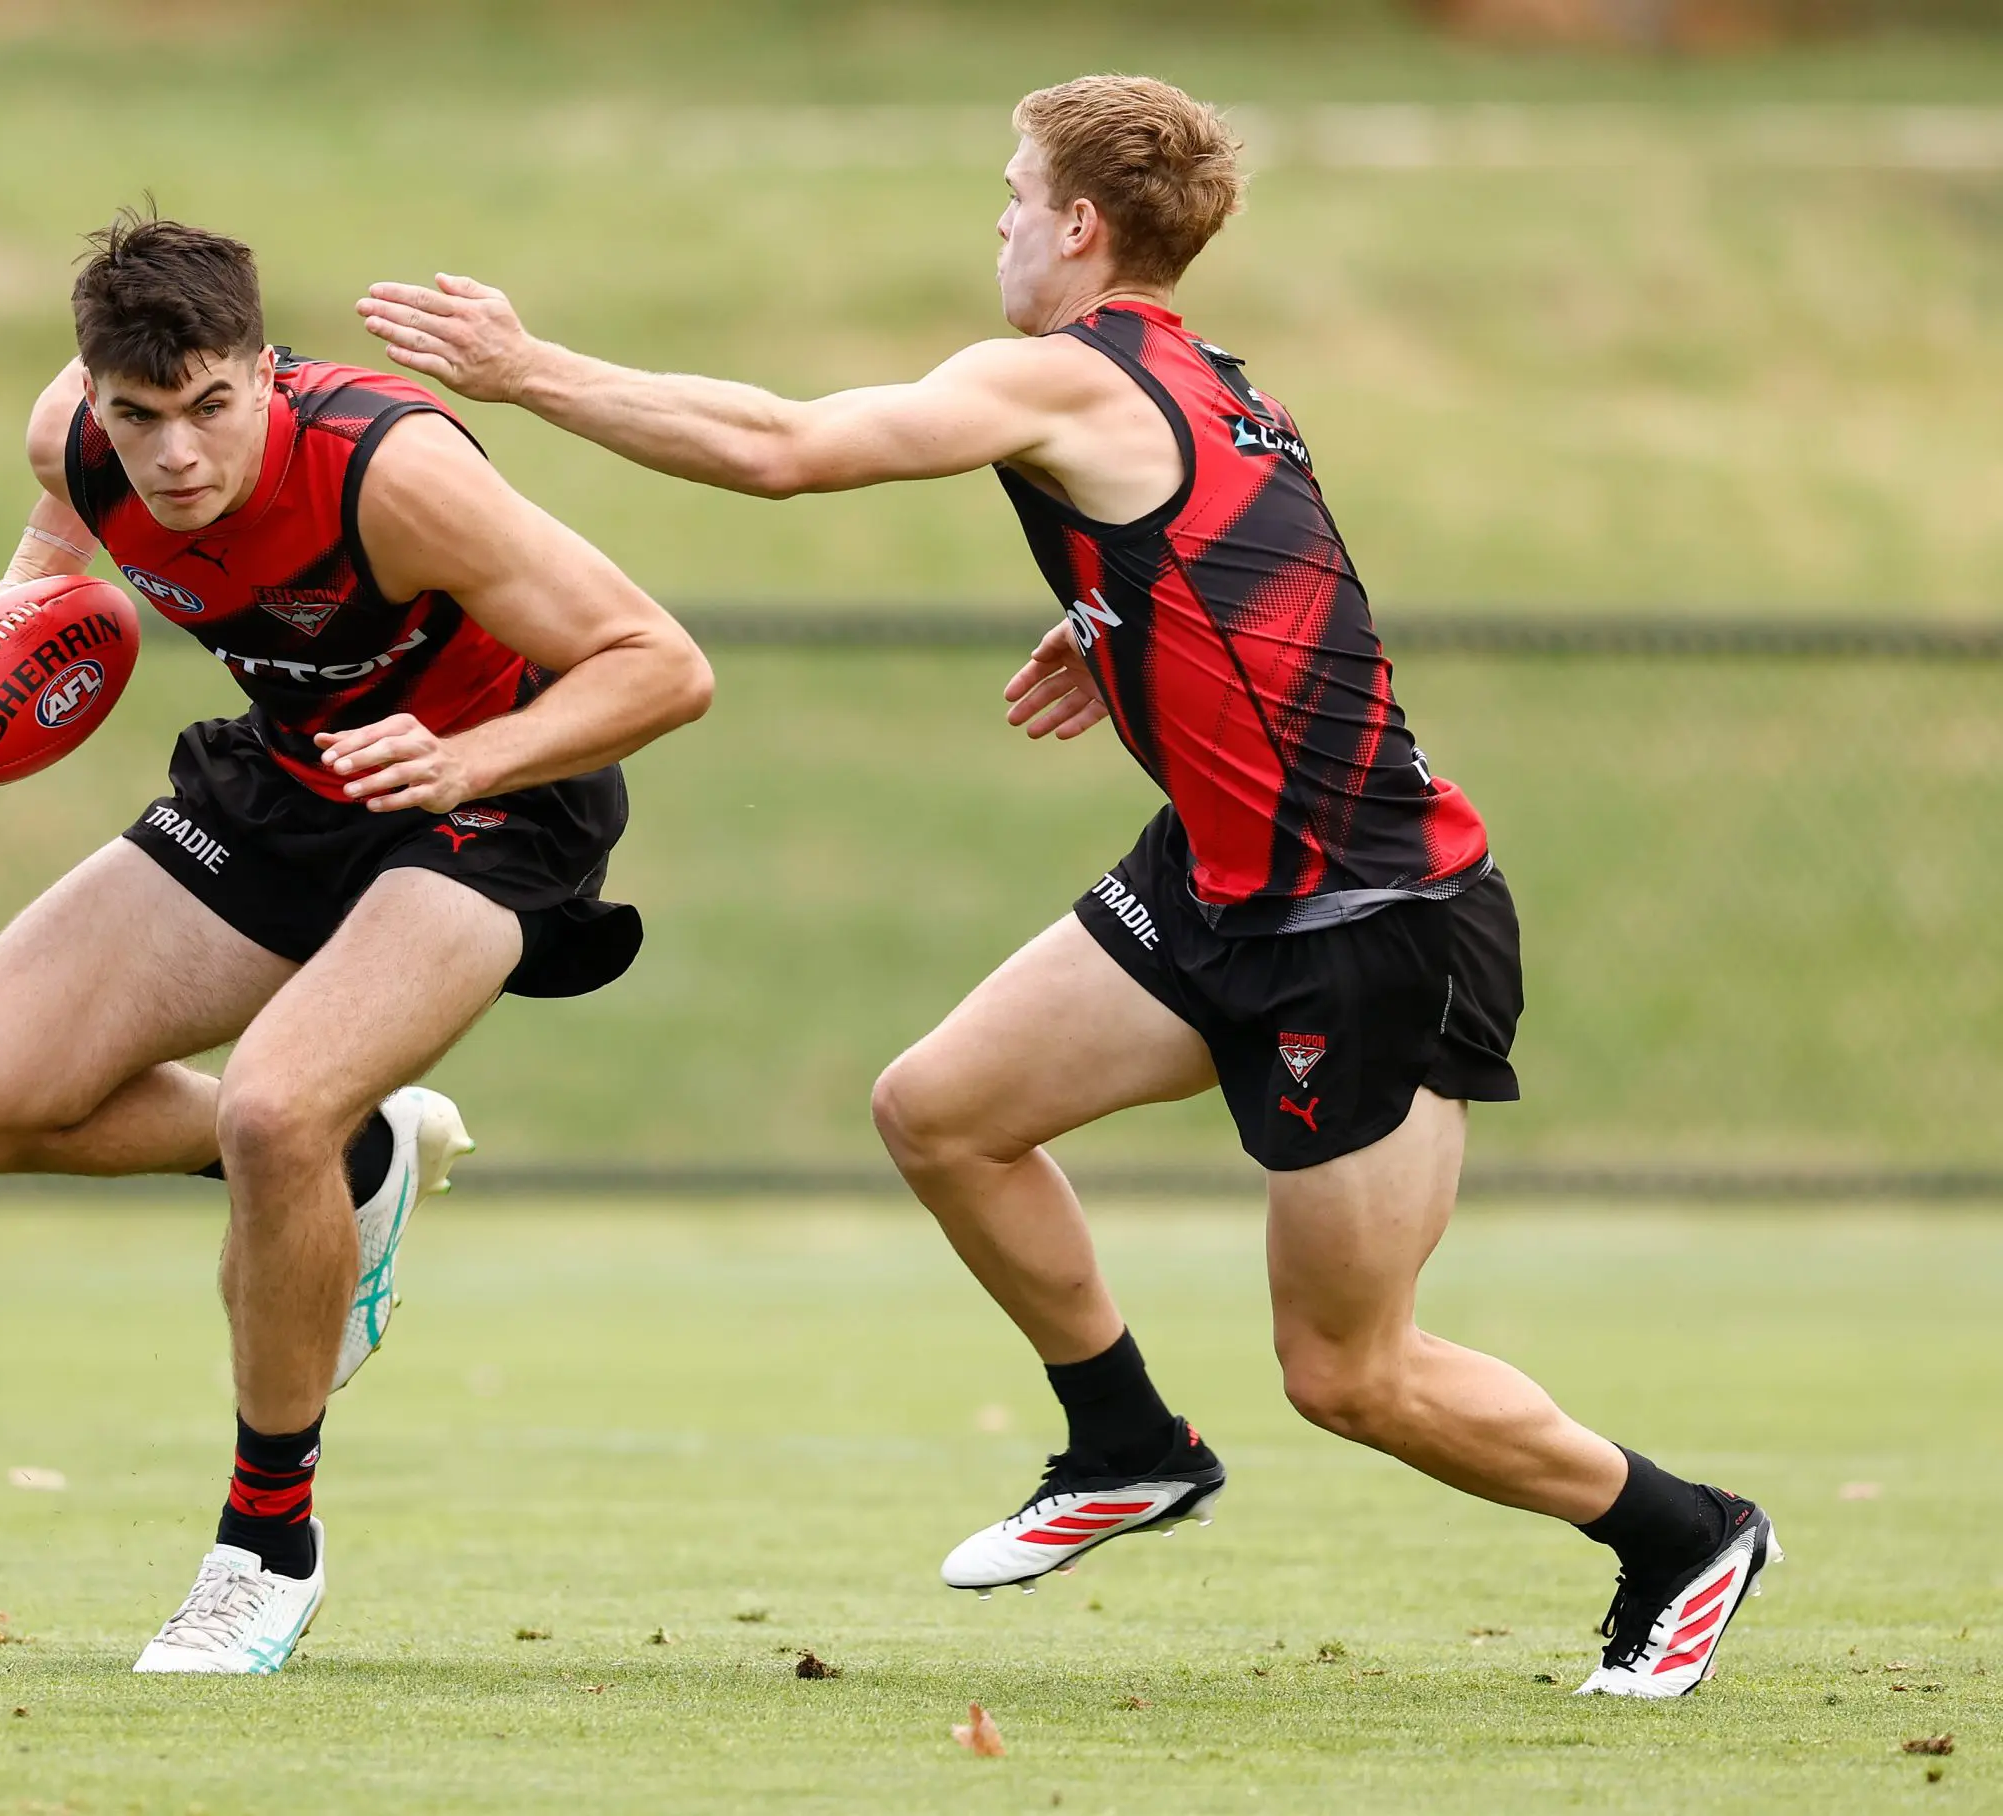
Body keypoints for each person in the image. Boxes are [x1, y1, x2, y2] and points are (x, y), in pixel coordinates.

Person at [356, 75, 1775, 1698]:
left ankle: (1681, 1533)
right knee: (942, 1107)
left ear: (1081, 226)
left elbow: (782, 449)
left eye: (1013, 199)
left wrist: (527, 370)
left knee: (1348, 1373)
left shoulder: (1063, 377)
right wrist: (1118, 630)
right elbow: (1262, 566)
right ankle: (1126, 1442)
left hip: (1368, 923)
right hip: (1223, 884)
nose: (1005, 228)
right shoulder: (1208, 387)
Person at [0, 210, 712, 1674]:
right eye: (140, 417)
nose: (180, 455)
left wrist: (472, 762)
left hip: (494, 799)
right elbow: (59, 536)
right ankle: (358, 1166)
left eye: (213, 406)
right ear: (93, 398)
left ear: (266, 372)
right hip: (289, 779)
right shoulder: (72, 441)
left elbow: (662, 663)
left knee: (278, 1102)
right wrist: (22, 603)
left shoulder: (396, 479)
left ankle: (264, 1546)